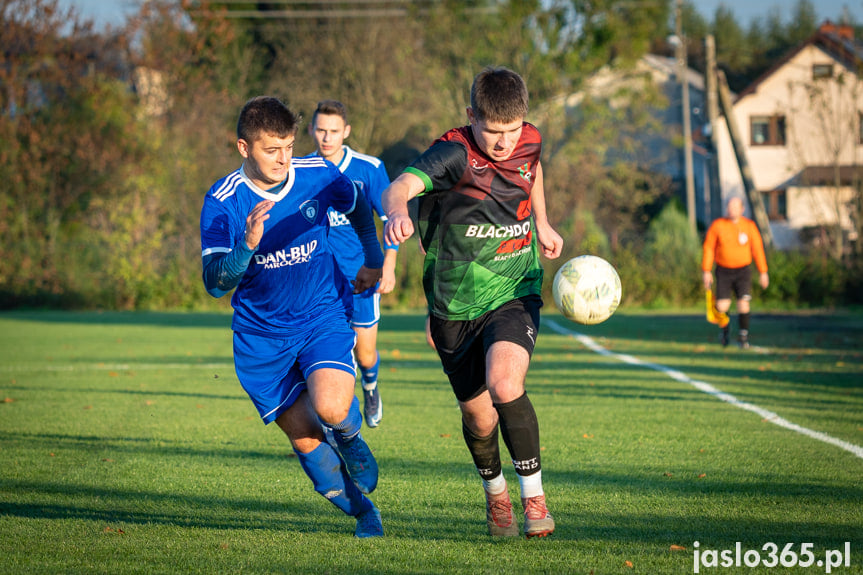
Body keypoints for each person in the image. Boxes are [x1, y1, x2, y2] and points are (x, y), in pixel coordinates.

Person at [382, 66, 564, 539]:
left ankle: (534, 495)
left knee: (505, 385)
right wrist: (398, 210)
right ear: (471, 116)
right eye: (491, 131)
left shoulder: (530, 139)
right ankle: (496, 493)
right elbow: (400, 185)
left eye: (511, 131)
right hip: (453, 305)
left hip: (514, 289)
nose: (503, 143)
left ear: (523, 121)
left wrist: (541, 221)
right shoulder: (453, 154)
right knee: (478, 416)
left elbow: (534, 166)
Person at [199, 96, 385, 537]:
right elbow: (214, 283)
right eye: (270, 149)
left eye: (288, 146)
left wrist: (373, 258)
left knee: (331, 406)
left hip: (320, 314)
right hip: (261, 339)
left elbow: (357, 204)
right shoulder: (223, 201)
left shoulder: (316, 174)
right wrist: (245, 247)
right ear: (244, 148)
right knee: (305, 442)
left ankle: (351, 436)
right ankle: (363, 512)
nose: (283, 158)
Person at [308, 100, 398, 428]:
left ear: (346, 131)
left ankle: (371, 387)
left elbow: (391, 218)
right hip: (319, 282)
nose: (326, 138)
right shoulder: (300, 169)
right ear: (311, 130)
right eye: (320, 130)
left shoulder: (369, 168)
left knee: (365, 354)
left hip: (361, 277)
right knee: (328, 351)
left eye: (333, 131)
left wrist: (388, 265)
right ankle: (338, 410)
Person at [701, 196, 769, 349]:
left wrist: (763, 272)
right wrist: (706, 270)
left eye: (735, 207)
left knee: (743, 304)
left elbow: (757, 249)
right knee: (722, 305)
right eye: (729, 207)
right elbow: (709, 248)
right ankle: (725, 332)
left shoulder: (749, 226)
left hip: (743, 271)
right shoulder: (718, 225)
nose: (731, 210)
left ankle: (743, 337)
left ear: (742, 209)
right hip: (723, 270)